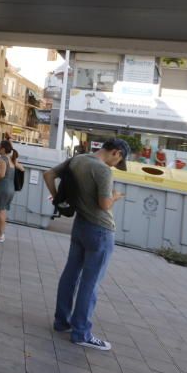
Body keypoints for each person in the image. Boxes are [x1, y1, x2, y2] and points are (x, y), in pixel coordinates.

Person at [43, 138, 130, 352]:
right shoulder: (103, 171)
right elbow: (104, 204)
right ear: (116, 153)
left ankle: (61, 322)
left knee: (70, 274)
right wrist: (116, 196)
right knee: (90, 283)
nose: (115, 166)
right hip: (100, 230)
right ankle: (81, 333)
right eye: (118, 161)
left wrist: (57, 199)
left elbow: (48, 175)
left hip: (80, 224)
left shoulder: (78, 160)